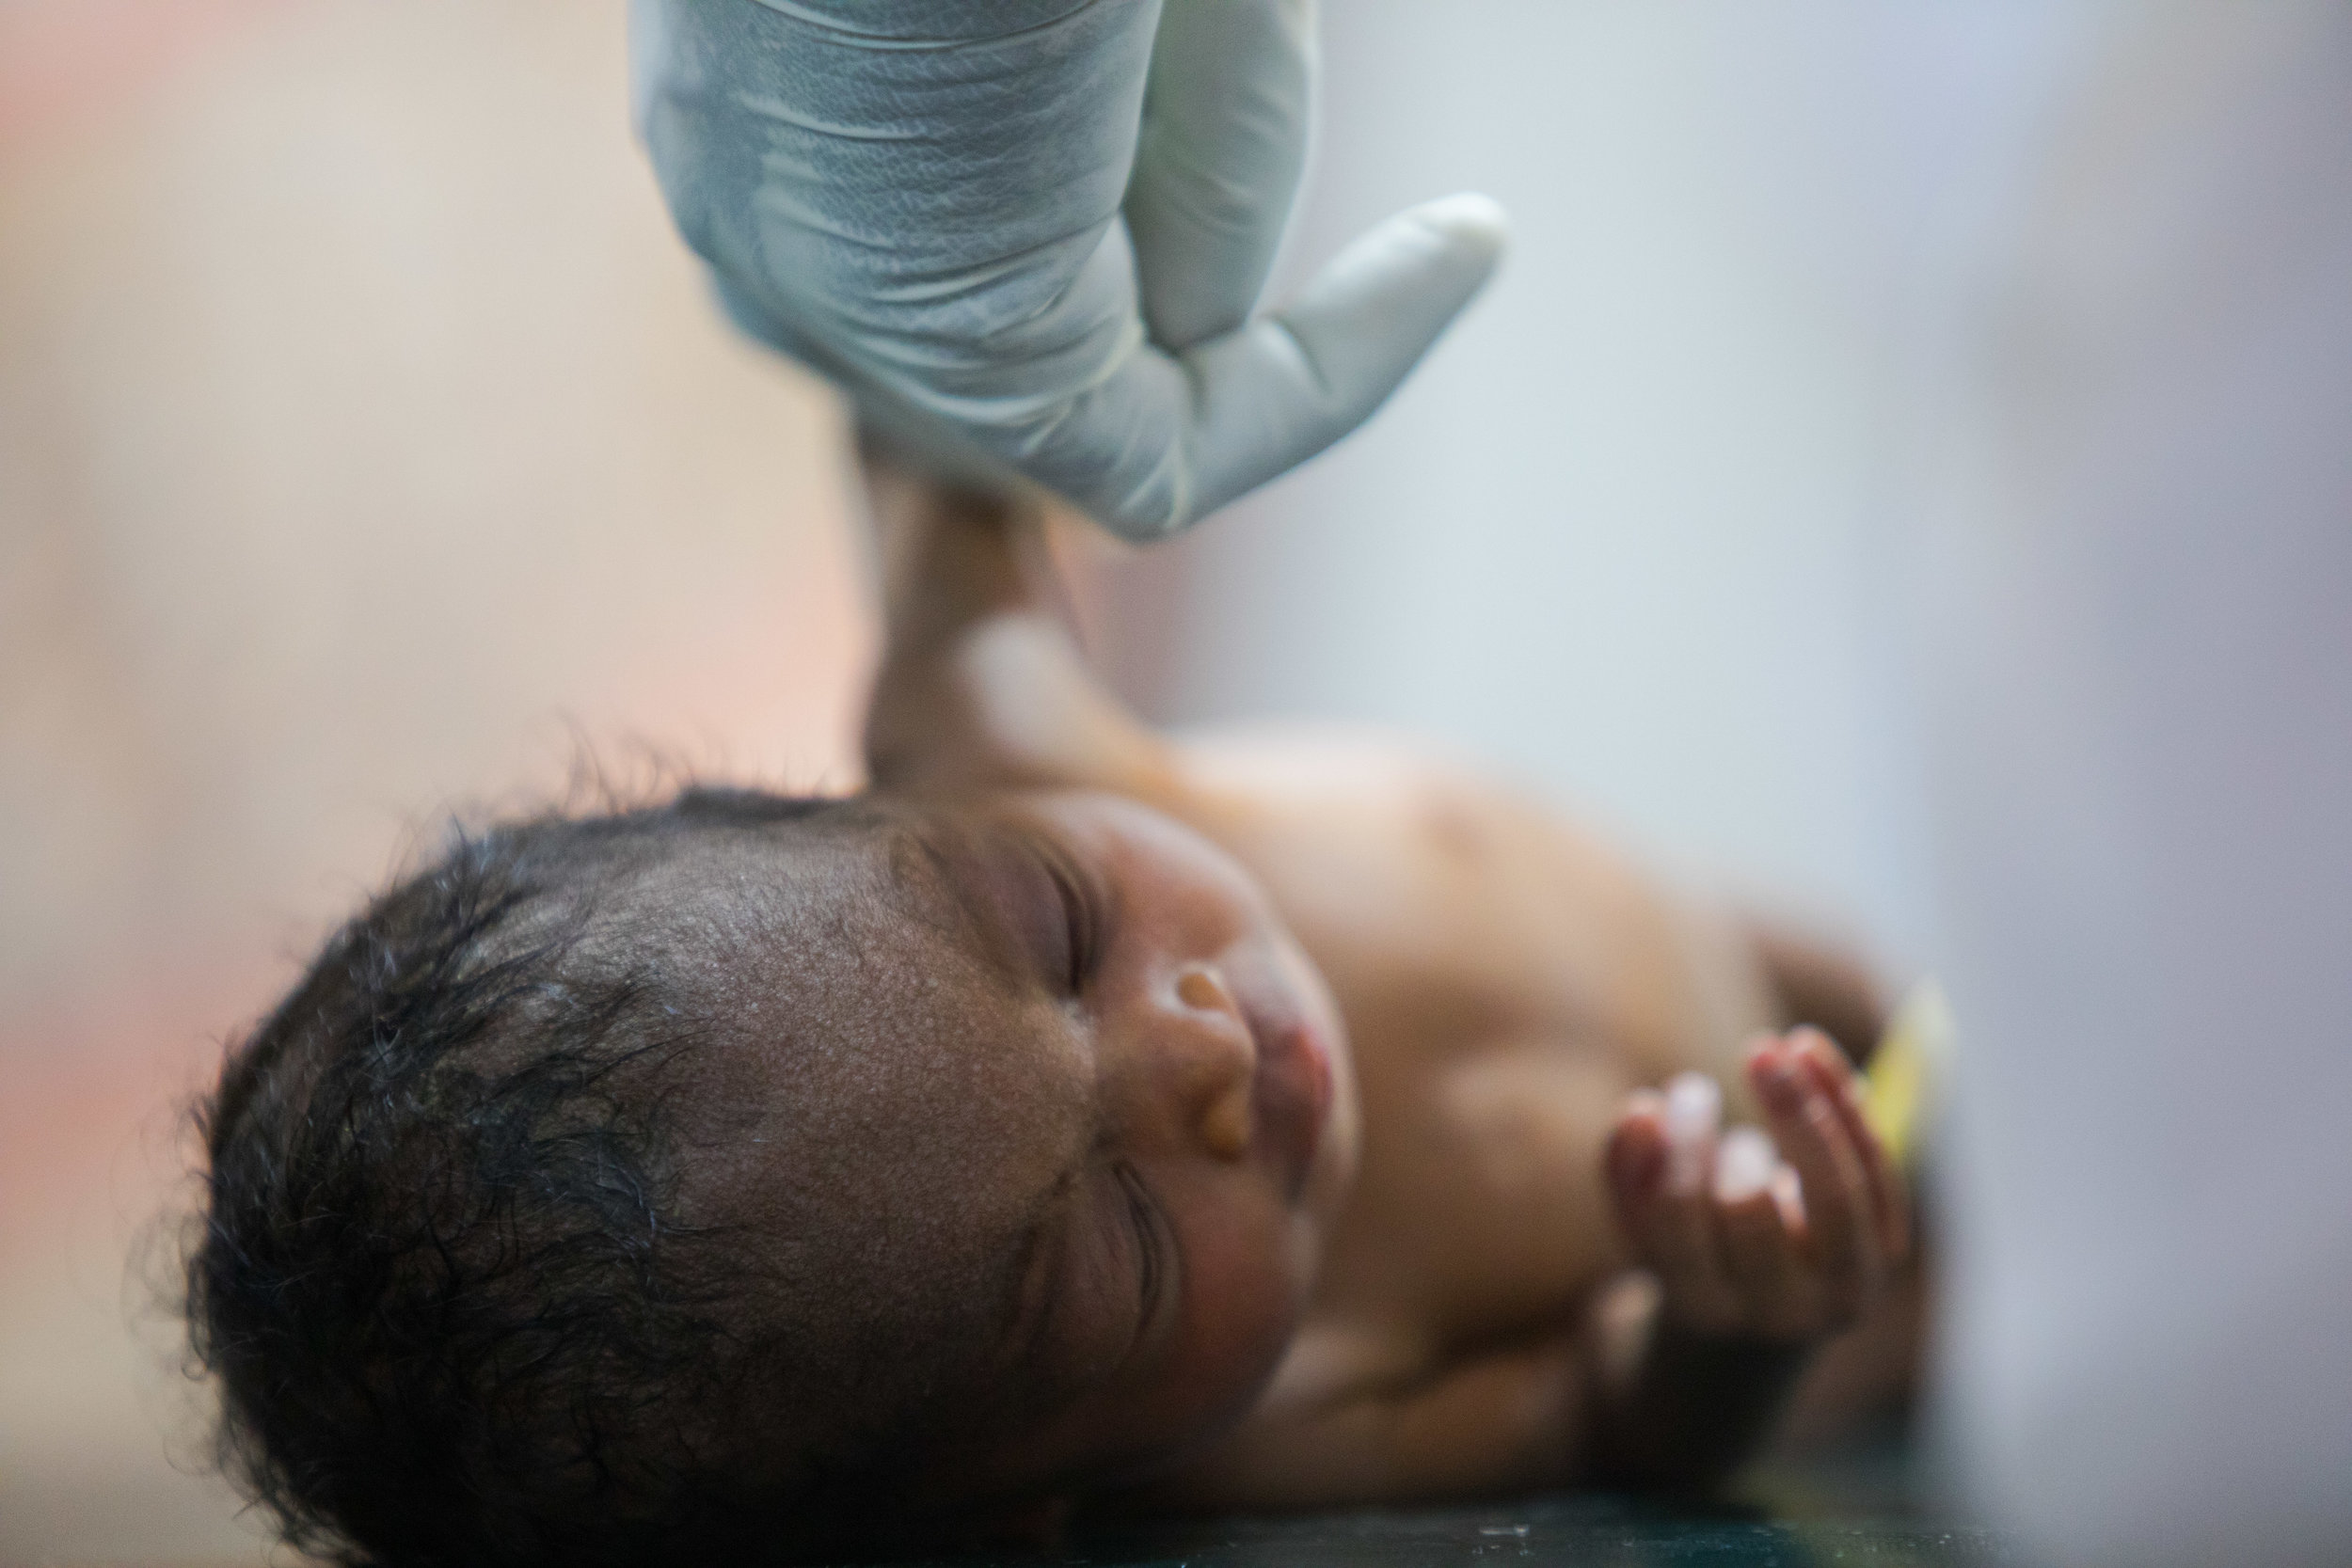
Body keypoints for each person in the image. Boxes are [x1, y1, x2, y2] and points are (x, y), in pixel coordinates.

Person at [185, 445, 1916, 1567]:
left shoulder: (996, 736)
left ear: (886, 792)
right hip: (1850, 1243)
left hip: (1768, 947)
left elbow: (927, 402)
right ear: (1004, 1511)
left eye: (1065, 928)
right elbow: (1601, 1420)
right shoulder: (1251, 1434)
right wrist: (1726, 1318)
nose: (1200, 1050)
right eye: (1120, 1244)